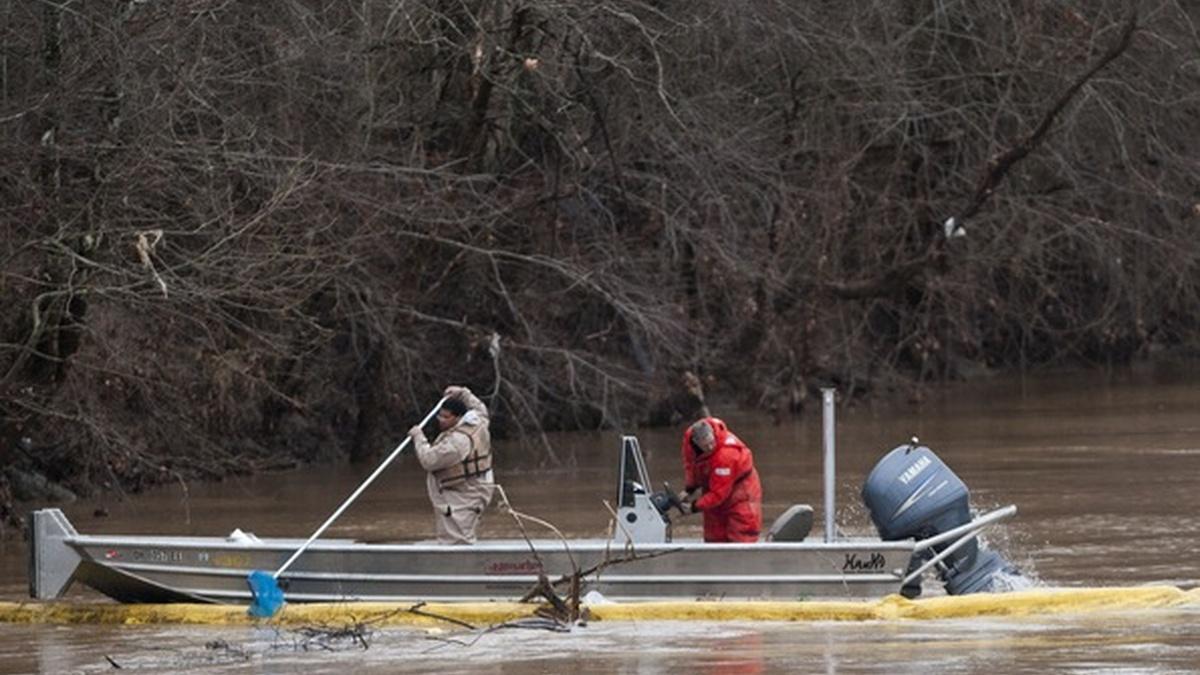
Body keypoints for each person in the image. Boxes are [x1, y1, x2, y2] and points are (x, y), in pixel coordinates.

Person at [408, 386, 495, 544]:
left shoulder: (457, 442)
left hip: (465, 494)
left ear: (458, 418)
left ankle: (458, 564)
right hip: (475, 486)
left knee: (455, 538)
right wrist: (462, 393)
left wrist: (418, 437)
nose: (440, 419)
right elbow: (479, 407)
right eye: (439, 415)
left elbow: (429, 460)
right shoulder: (479, 421)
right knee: (460, 531)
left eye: (445, 417)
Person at [679, 417, 762, 543]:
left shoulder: (725, 456)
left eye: (712, 442)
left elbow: (718, 494)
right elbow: (692, 465)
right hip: (714, 482)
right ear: (696, 442)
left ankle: (742, 557)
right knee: (714, 532)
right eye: (706, 446)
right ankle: (713, 556)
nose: (711, 447)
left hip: (742, 489)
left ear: (713, 434)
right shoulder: (689, 443)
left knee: (742, 528)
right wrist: (690, 489)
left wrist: (694, 507)